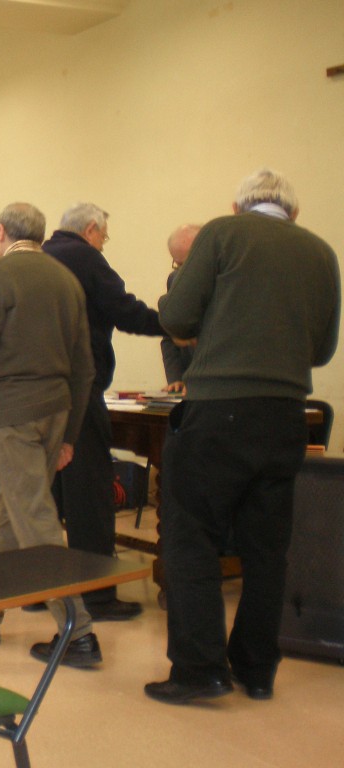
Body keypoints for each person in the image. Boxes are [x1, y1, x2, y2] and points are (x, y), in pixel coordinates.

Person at [146, 169, 340, 705]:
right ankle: (256, 669)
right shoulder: (321, 252)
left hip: (218, 410)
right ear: (293, 212)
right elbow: (323, 350)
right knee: (267, 550)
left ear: (237, 207)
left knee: (191, 538)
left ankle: (199, 669)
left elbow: (176, 316)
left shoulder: (222, 234)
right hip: (287, 414)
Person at [0, 202, 100, 667]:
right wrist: (70, 432)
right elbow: (84, 366)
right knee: (10, 513)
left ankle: (78, 631)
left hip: (12, 413)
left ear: (0, 233)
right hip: (56, 410)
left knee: (34, 517)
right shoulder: (65, 279)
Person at [42, 202, 165, 622]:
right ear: (91, 229)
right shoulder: (85, 257)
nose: (103, 244)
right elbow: (125, 311)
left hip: (39, 396)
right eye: (104, 237)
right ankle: (97, 596)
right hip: (79, 391)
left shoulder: (41, 256)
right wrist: (172, 326)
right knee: (90, 495)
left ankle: (42, 589)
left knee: (49, 497)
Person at [160, 224, 201, 395]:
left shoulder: (228, 283)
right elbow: (169, 336)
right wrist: (175, 378)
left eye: (188, 264)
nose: (183, 273)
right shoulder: (175, 280)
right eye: (178, 265)